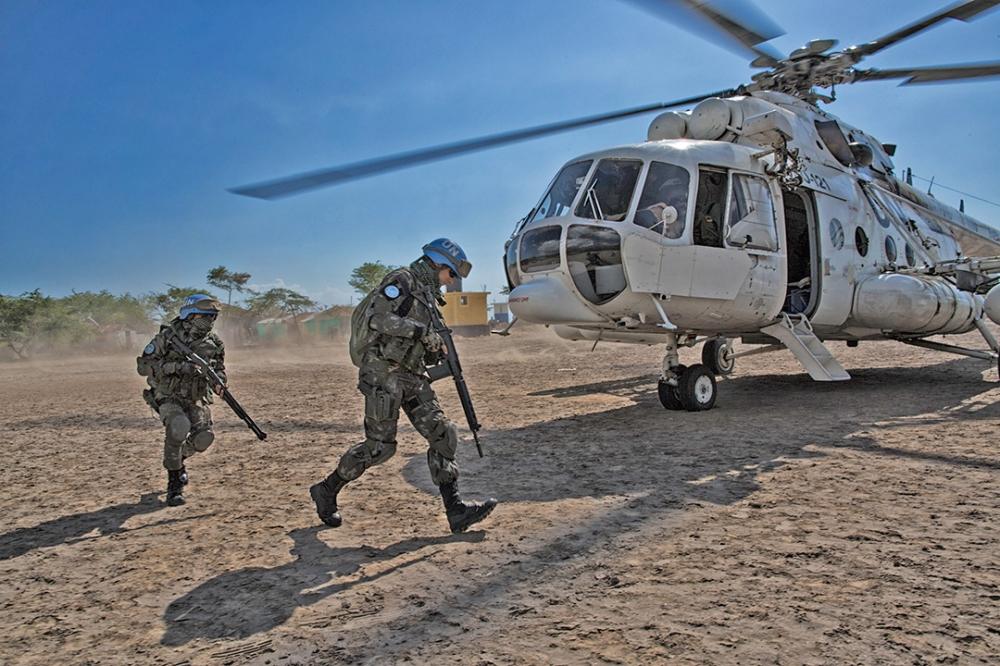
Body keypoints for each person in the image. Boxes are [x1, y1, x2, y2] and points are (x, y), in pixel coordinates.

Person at [310, 239, 497, 534]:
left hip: (413, 374)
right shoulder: (401, 281)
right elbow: (378, 319)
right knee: (380, 447)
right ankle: (326, 489)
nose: (451, 281)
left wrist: (435, 349)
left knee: (443, 433)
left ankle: (456, 510)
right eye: (451, 273)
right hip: (383, 373)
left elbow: (423, 341)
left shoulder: (429, 298)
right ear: (437, 264)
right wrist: (422, 333)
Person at [137, 294, 226, 506]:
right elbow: (143, 366)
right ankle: (174, 484)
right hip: (168, 395)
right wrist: (179, 367)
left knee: (203, 438)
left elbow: (220, 369)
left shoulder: (214, 343)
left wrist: (220, 382)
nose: (210, 321)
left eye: (213, 317)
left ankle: (178, 459)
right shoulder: (168, 337)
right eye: (206, 316)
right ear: (190, 315)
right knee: (178, 427)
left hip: (196, 397)